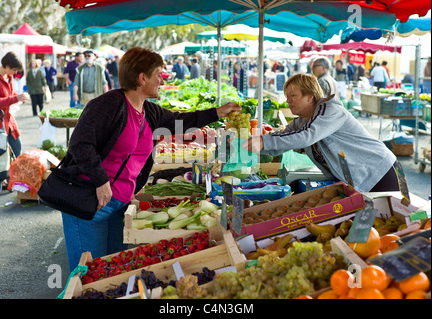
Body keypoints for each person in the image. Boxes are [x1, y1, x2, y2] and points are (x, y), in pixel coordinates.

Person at [58, 47, 240, 271]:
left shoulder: (148, 111)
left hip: (119, 205)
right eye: (158, 75)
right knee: (87, 273)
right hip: (90, 202)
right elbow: (80, 145)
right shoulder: (107, 105)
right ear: (142, 78)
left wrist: (216, 113)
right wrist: (100, 182)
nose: (162, 82)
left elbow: (180, 120)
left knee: (110, 272)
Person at [242, 73, 399, 193]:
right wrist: (250, 143)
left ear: (310, 97)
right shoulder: (301, 121)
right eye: (287, 96)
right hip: (357, 179)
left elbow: (307, 137)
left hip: (380, 171)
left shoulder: (331, 111)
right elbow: (282, 140)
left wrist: (264, 141)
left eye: (293, 95)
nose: (288, 100)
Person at [0, 52, 29, 161]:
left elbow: (11, 94)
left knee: (16, 147)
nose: (15, 73)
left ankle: (13, 175)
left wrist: (20, 98)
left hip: (7, 119)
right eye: (14, 70)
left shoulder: (8, 76)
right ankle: (1, 176)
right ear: (7, 66)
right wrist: (15, 98)